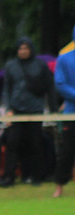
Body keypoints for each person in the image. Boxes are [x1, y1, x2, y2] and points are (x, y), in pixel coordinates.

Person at [0, 37, 54, 187]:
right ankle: (9, 177)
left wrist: (52, 108)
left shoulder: (40, 65)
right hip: (16, 110)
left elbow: (49, 87)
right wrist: (8, 109)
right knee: (12, 142)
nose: (23, 51)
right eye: (20, 49)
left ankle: (37, 176)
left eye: (26, 48)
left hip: (35, 109)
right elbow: (7, 89)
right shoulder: (11, 66)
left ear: (31, 49)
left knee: (36, 143)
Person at [53, 26, 75, 198]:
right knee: (67, 151)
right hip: (71, 112)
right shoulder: (65, 56)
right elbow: (60, 84)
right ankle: (59, 186)